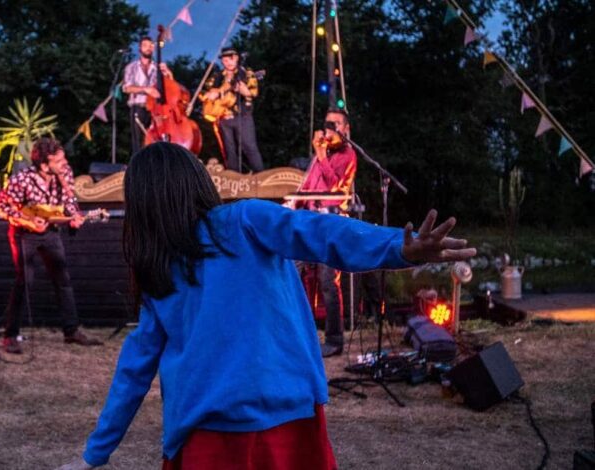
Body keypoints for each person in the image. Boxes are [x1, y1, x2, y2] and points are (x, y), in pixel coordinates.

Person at [56, 142, 476, 470]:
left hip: (213, 434)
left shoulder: (183, 254)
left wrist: (97, 451)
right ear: (197, 182)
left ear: (143, 206)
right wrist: (399, 247)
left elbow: (134, 370)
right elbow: (324, 233)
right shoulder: (235, 224)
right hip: (284, 421)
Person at [0, 138, 102, 354]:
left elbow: (69, 202)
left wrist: (74, 216)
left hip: (51, 232)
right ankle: (10, 336)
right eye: (58, 160)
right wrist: (27, 221)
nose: (64, 162)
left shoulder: (65, 173)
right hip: (25, 233)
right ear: (44, 165)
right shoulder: (22, 179)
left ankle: (71, 331)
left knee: (63, 278)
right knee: (25, 280)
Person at [299, 109, 358, 357]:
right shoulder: (320, 154)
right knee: (292, 272)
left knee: (328, 283)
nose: (330, 129)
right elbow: (308, 186)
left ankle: (334, 340)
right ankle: (300, 334)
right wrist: (292, 204)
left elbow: (333, 185)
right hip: (310, 222)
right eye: (327, 124)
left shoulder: (348, 155)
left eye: (336, 124)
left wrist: (321, 153)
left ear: (346, 129)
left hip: (332, 222)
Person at [201, 47, 265, 173]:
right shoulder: (217, 76)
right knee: (229, 150)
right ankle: (233, 178)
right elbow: (204, 92)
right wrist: (211, 94)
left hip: (243, 115)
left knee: (249, 146)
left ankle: (260, 175)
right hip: (224, 117)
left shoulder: (246, 73)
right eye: (225, 60)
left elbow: (253, 92)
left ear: (236, 58)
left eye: (231, 59)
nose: (228, 62)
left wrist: (244, 91)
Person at [122, 36, 172, 155]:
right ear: (140, 48)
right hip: (138, 106)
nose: (148, 48)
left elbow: (171, 86)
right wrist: (146, 90)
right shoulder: (131, 67)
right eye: (145, 45)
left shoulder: (157, 67)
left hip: (156, 109)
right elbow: (126, 88)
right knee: (138, 141)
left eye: (151, 46)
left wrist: (168, 73)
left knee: (158, 139)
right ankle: (139, 168)